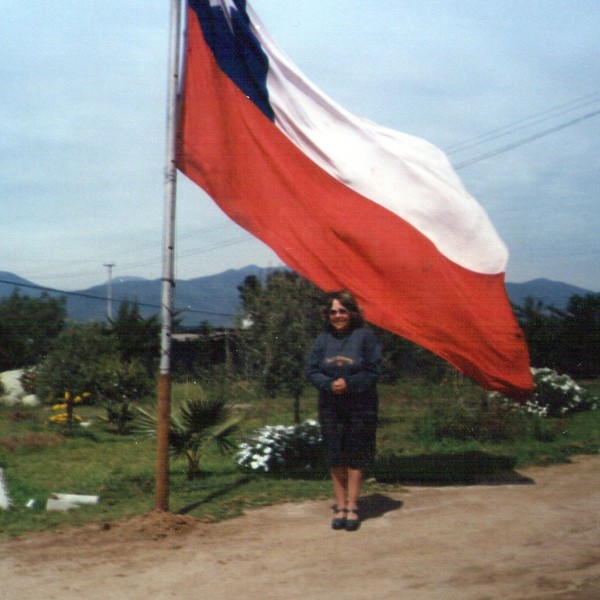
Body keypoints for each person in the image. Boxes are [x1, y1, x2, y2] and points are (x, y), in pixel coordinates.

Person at [306, 290, 382, 531]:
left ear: (351, 313)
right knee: (335, 454)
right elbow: (311, 370)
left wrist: (349, 383)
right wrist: (328, 384)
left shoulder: (366, 337)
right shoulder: (322, 340)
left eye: (342, 311)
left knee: (355, 454)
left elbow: (373, 370)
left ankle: (352, 506)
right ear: (327, 315)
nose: (338, 315)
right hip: (330, 404)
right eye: (333, 312)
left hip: (360, 404)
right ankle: (339, 505)